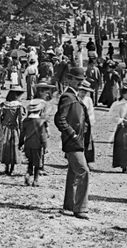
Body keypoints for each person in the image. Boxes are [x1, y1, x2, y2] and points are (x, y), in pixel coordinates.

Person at [54, 67, 91, 219]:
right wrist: (73, 134)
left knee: (73, 173)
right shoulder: (68, 97)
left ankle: (69, 204)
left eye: (81, 80)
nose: (80, 83)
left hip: (77, 141)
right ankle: (80, 208)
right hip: (73, 143)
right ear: (69, 79)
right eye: (77, 80)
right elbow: (60, 119)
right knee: (83, 171)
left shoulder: (73, 97)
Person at [109, 85, 127, 173]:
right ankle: (123, 165)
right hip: (122, 127)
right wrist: (121, 120)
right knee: (122, 147)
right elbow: (113, 115)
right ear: (123, 94)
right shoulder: (117, 104)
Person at [19, 99, 48, 187]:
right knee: (37, 163)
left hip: (28, 144)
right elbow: (43, 135)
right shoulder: (40, 122)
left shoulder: (25, 121)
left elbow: (22, 133)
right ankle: (35, 180)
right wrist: (45, 146)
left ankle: (28, 174)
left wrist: (20, 143)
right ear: (39, 110)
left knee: (30, 161)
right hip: (37, 145)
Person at [0, 86, 26, 176]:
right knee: (13, 147)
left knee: (5, 146)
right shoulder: (18, 106)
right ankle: (12, 168)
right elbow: (21, 119)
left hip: (4, 128)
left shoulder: (4, 105)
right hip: (13, 128)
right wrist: (22, 130)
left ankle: (6, 167)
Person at [78, 80, 96, 165]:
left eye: (85, 92)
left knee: (87, 142)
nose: (83, 94)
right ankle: (73, 161)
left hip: (86, 123)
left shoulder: (88, 100)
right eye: (82, 92)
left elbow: (91, 112)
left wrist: (89, 122)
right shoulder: (75, 98)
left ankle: (87, 162)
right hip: (76, 123)